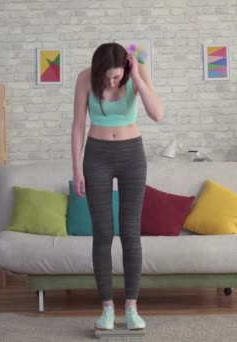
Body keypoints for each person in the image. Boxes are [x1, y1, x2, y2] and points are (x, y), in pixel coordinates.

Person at [71, 42, 164, 330]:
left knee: (129, 231)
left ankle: (132, 308)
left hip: (131, 155)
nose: (112, 82)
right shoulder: (85, 77)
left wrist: (136, 77)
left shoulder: (136, 73)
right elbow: (77, 125)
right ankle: (107, 309)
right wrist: (77, 168)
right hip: (97, 156)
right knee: (102, 233)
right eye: (108, 77)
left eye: (117, 77)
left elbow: (157, 114)